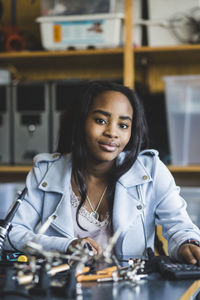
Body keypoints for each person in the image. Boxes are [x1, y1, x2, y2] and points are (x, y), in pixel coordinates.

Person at [5, 80, 200, 264]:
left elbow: (179, 226)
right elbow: (10, 234)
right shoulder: (45, 172)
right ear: (80, 122)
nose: (112, 133)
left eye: (123, 125)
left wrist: (187, 244)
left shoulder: (152, 170)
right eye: (100, 120)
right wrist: (65, 246)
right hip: (63, 290)